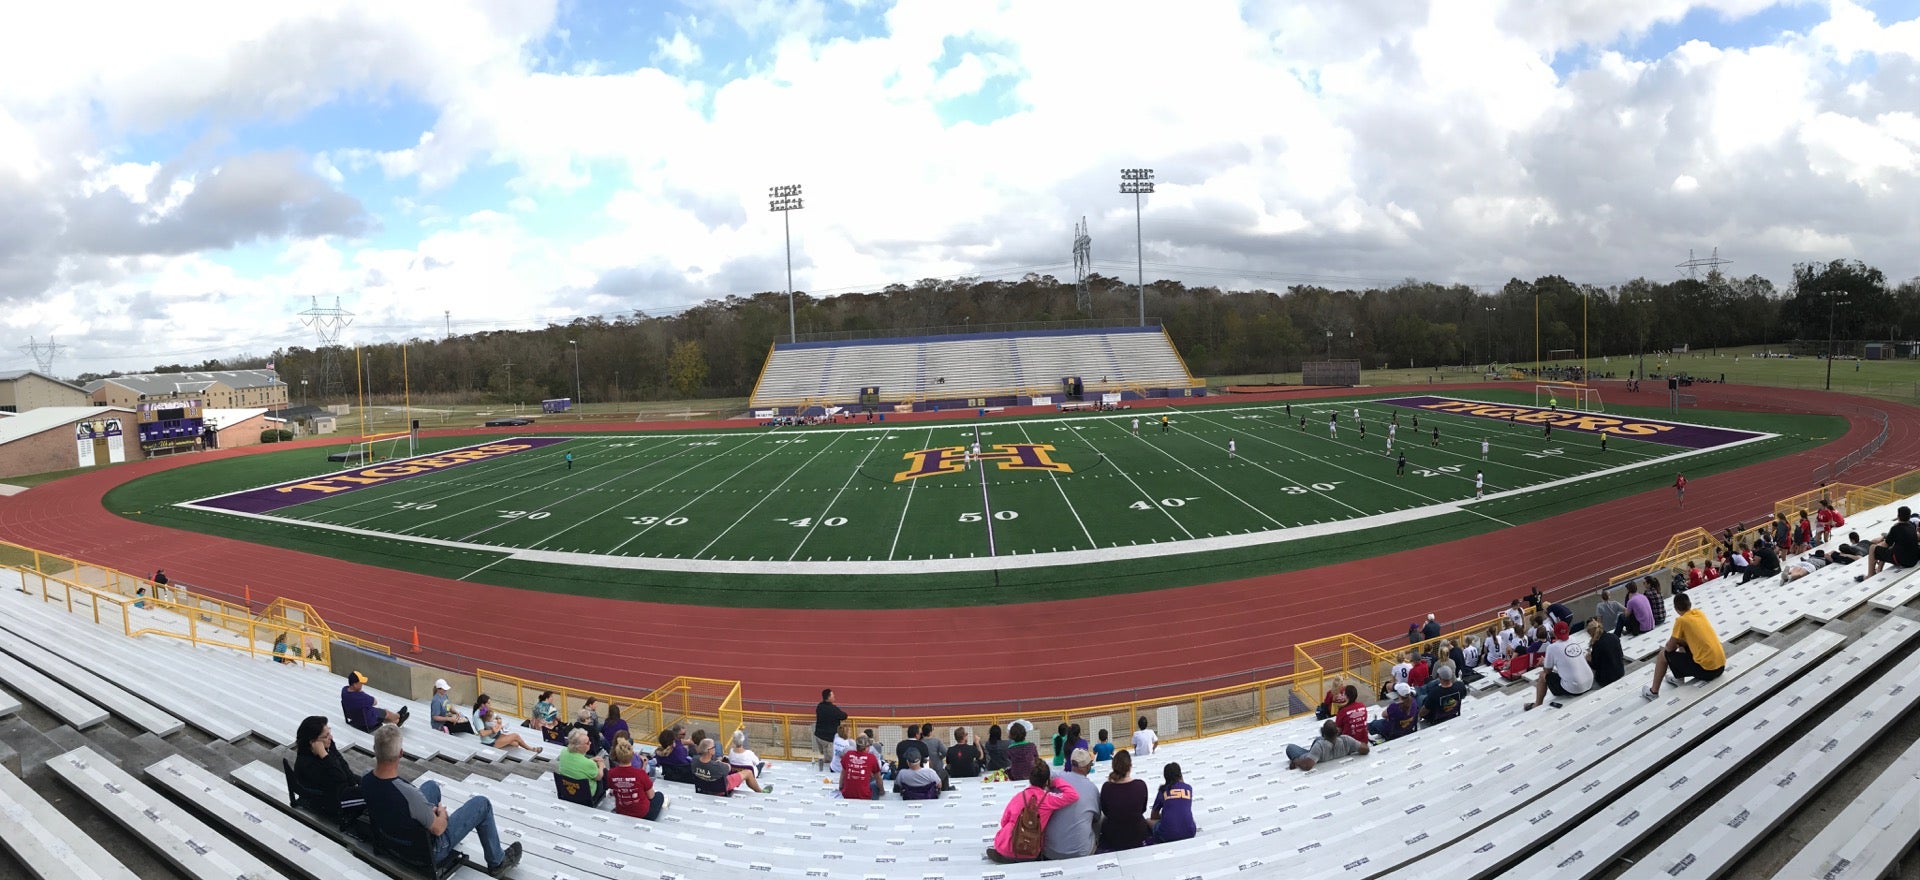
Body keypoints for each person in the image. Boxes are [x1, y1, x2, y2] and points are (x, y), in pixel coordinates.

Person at [362, 724, 521, 876]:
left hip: (390, 841)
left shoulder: (366, 779)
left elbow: (395, 802)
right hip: (424, 853)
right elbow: (438, 829)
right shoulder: (409, 795)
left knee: (431, 786)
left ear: (375, 749)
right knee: (482, 803)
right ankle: (497, 862)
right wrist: (442, 815)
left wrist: (425, 811)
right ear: (401, 753)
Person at [987, 762, 1081, 864]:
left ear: (1030, 779)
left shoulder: (1018, 797)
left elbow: (1003, 822)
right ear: (1046, 782)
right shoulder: (1048, 800)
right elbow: (1073, 795)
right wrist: (1056, 781)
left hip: (1005, 849)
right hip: (1030, 851)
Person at [1643, 591, 1726, 699]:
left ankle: (1653, 692)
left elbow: (1669, 648)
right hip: (1720, 667)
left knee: (1662, 655)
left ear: (1676, 609)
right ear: (1690, 604)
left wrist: (1672, 645)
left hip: (1707, 671)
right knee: (1681, 642)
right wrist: (1680, 643)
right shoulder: (1698, 613)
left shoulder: (1681, 621)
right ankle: (1679, 679)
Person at [294, 716, 363, 821]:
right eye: (326, 736)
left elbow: (342, 764)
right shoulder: (307, 764)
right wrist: (324, 755)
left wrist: (353, 782)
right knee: (373, 795)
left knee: (372, 782)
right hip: (331, 801)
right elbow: (340, 778)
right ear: (313, 742)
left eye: (329, 733)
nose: (331, 737)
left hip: (341, 787)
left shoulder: (327, 745)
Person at [1042, 749, 1102, 861]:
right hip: (1081, 852)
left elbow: (1044, 771)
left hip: (1050, 850)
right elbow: (1096, 818)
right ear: (1087, 767)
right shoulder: (1092, 789)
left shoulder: (1057, 777)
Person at [1527, 620, 1593, 709]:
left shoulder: (1552, 647)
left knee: (1542, 675)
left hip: (1576, 689)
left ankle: (1537, 704)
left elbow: (1547, 671)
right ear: (1568, 631)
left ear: (1554, 633)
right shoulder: (1573, 640)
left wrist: (1544, 662)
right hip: (1589, 682)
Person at [1098, 750, 1150, 851]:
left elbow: (1106, 812)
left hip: (1113, 836)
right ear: (1130, 766)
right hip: (1138, 834)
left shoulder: (1107, 787)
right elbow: (1142, 810)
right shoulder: (1140, 785)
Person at [607, 738, 667, 821]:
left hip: (622, 811)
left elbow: (613, 790)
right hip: (643, 813)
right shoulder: (640, 773)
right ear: (632, 755)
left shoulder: (611, 773)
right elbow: (651, 796)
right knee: (659, 795)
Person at [1857, 505, 1920, 581]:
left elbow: (1885, 545)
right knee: (1889, 548)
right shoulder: (1912, 527)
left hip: (1903, 560)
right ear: (1909, 516)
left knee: (1872, 548)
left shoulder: (1895, 528)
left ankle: (1870, 575)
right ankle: (1878, 570)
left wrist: (1876, 549)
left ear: (1898, 516)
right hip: (1913, 560)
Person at [1286, 719, 1370, 771]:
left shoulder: (1319, 746)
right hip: (1323, 753)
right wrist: (1354, 746)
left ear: (1323, 733)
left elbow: (1307, 765)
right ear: (1337, 731)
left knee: (1290, 747)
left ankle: (1307, 753)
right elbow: (1366, 749)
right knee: (1318, 739)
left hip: (1312, 756)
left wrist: (1296, 761)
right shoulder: (1346, 740)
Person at [558, 728, 609, 806]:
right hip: (586, 795)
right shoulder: (588, 764)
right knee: (604, 773)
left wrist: (590, 760)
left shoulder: (564, 752)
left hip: (567, 788)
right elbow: (599, 777)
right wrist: (601, 765)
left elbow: (577, 763)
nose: (590, 743)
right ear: (578, 747)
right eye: (587, 742)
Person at [341, 671, 406, 732]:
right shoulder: (361, 697)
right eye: (360, 683)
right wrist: (361, 692)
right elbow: (375, 702)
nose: (362, 684)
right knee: (386, 713)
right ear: (355, 684)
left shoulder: (344, 691)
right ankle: (399, 715)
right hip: (366, 721)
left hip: (355, 718)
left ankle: (397, 722)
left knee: (381, 715)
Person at [1149, 763, 1196, 843]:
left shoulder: (1163, 790)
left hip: (1167, 835)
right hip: (1190, 831)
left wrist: (1164, 816)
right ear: (1180, 774)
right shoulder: (1188, 788)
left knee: (1148, 821)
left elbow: (1153, 815)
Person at [1586, 618, 1627, 688]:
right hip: (1620, 672)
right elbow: (1621, 655)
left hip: (1606, 679)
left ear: (1591, 634)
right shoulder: (1614, 636)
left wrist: (1589, 659)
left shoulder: (1597, 645)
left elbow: (1595, 666)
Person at [840, 733, 882, 800]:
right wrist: (882, 791)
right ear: (866, 748)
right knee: (874, 783)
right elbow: (878, 778)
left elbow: (843, 773)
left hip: (847, 794)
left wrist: (840, 787)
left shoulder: (848, 754)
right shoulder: (871, 757)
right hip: (864, 796)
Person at [814, 688, 848, 767]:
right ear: (828, 697)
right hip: (828, 739)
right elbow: (844, 716)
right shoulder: (833, 709)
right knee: (832, 761)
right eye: (832, 695)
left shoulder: (819, 706)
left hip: (818, 736)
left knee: (826, 757)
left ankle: (823, 764)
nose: (834, 696)